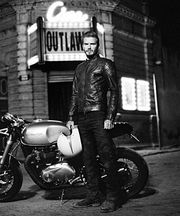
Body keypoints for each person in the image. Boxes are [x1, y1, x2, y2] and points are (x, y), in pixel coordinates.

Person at [67, 31, 122, 213]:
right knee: (88, 158)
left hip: (99, 116)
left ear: (97, 45)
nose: (89, 47)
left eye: (92, 44)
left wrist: (110, 117)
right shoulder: (80, 68)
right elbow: (75, 94)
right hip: (82, 118)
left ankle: (113, 198)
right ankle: (93, 195)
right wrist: (70, 117)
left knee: (107, 157)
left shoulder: (105, 64)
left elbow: (114, 91)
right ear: (82, 46)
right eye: (86, 44)